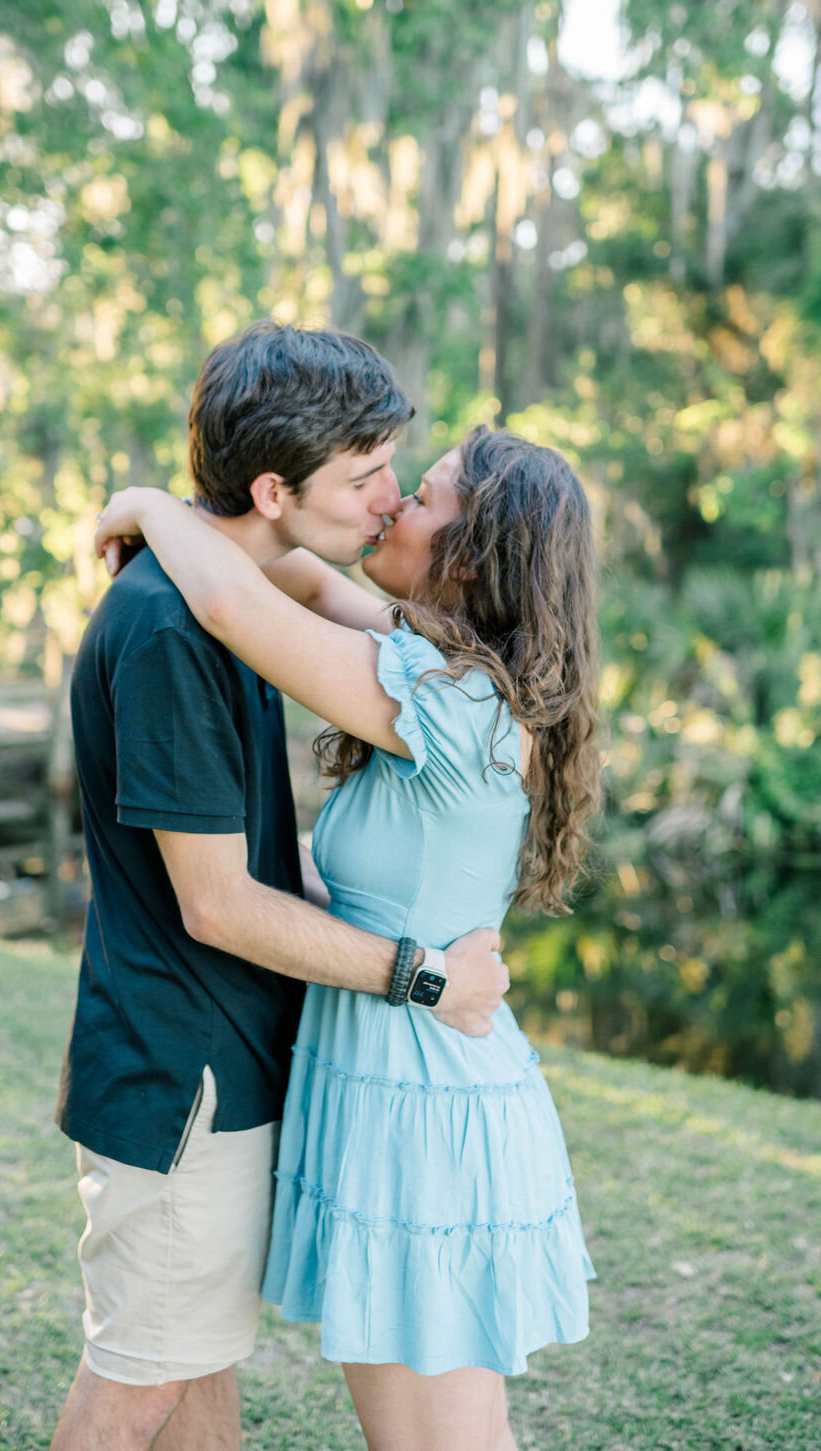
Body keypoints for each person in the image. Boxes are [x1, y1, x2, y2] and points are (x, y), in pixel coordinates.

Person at [93, 423, 601, 1451]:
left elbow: (235, 605)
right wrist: (236, 519)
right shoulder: (440, 661)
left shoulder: (457, 703)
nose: (390, 505)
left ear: (477, 549)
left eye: (419, 495)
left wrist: (149, 508)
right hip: (390, 1080)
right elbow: (312, 588)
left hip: (424, 1111)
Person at [50, 323, 508, 1451]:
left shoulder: (241, 598)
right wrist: (423, 976)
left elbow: (322, 590)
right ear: (272, 486)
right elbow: (217, 904)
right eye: (365, 476)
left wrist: (152, 501)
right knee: (136, 1385)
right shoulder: (171, 627)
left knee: (194, 1367)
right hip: (179, 1078)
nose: (389, 500)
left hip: (229, 1058)